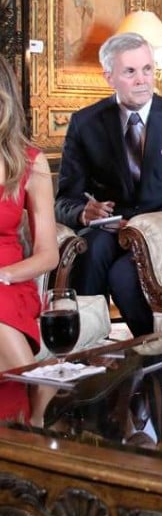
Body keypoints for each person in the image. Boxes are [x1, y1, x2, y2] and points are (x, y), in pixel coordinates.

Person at [55, 32, 162, 337]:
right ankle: (85, 347)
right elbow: (64, 199)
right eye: (130, 72)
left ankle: (155, 354)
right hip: (108, 230)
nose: (142, 80)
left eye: (147, 69)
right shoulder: (85, 123)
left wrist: (139, 227)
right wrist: (84, 213)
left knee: (124, 275)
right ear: (109, 76)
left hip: (160, 230)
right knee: (91, 251)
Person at [0, 57, 60, 373]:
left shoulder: (30, 162)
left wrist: (5, 275)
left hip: (9, 281)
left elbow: (48, 254)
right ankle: (32, 410)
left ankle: (29, 409)